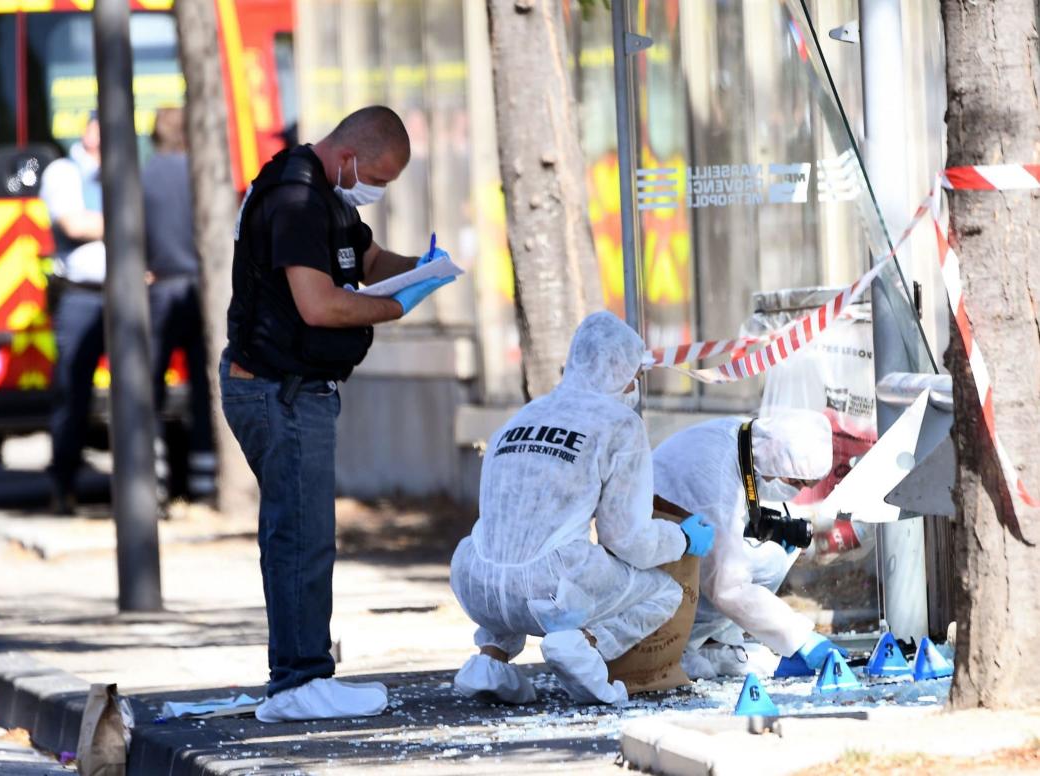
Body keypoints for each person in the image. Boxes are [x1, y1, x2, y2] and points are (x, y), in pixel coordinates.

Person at [221, 105, 456, 723]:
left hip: (293, 388)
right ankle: (300, 682)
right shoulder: (297, 199)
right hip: (280, 390)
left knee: (301, 533)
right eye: (377, 176)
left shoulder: (329, 196)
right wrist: (395, 311)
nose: (378, 190)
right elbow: (320, 306)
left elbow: (369, 262)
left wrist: (425, 270)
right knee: (300, 538)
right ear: (349, 156)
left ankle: (301, 675)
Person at [449, 312, 716, 706]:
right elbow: (627, 539)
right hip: (550, 592)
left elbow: (508, 520)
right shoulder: (619, 425)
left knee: (517, 552)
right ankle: (582, 647)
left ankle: (492, 659)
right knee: (663, 593)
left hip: (476, 582)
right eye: (635, 376)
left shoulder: (520, 417)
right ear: (619, 369)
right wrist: (682, 537)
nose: (635, 386)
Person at [651, 410, 836, 678]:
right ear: (775, 459)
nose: (796, 491)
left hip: (671, 548)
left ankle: (715, 641)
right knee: (749, 569)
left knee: (769, 558)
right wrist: (799, 637)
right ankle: (678, 645)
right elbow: (727, 586)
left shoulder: (742, 438)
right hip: (657, 571)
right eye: (794, 482)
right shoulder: (717, 482)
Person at [141, 107, 215, 505]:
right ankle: (204, 481)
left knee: (150, 387)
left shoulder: (143, 176)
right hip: (200, 292)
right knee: (204, 388)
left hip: (159, 290)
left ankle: (155, 481)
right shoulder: (201, 175)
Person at [40, 114, 105, 515]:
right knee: (71, 392)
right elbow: (73, 224)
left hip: (126, 293)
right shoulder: (64, 172)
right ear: (87, 130)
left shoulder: (126, 165)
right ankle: (63, 486)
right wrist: (128, 217)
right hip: (80, 296)